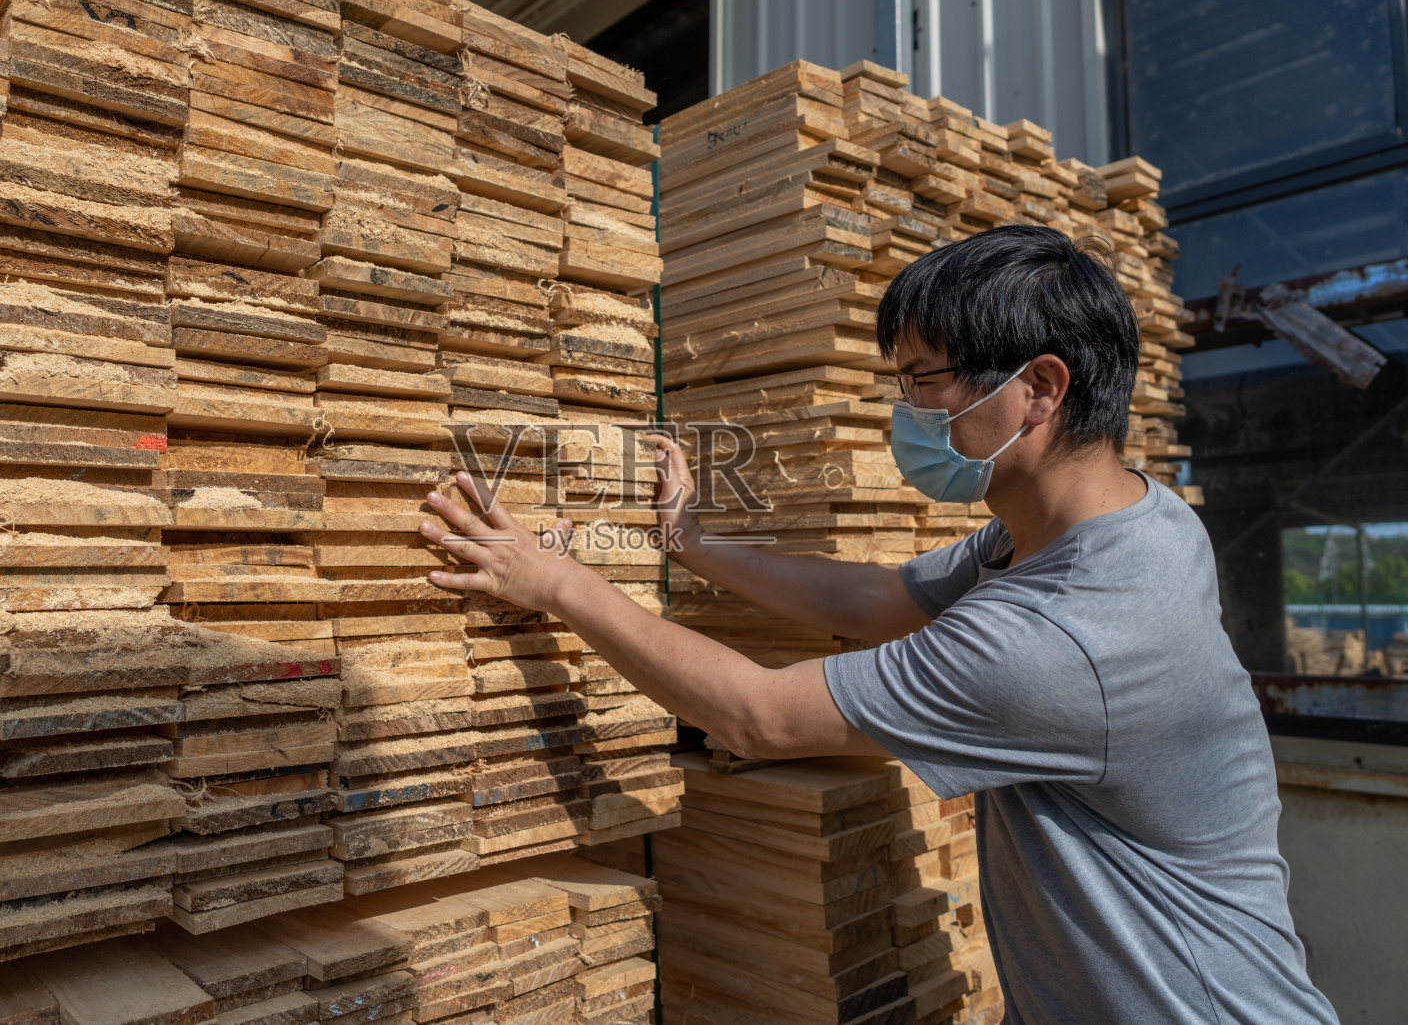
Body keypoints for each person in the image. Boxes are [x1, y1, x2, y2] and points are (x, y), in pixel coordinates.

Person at [417, 224, 1338, 1025]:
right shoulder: (1125, 525)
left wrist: (553, 580)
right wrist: (687, 543)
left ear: (1040, 387)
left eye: (923, 382)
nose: (908, 414)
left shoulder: (1063, 635)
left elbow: (760, 717)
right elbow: (870, 600)